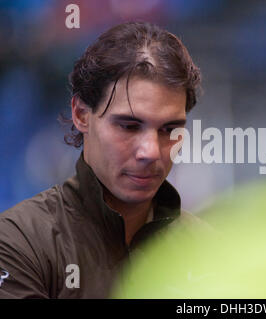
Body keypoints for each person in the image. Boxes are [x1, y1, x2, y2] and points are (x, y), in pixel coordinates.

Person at [0, 22, 204, 298]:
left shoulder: (210, 251)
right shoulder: (19, 241)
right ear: (81, 114)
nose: (151, 152)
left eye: (169, 130)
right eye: (129, 126)